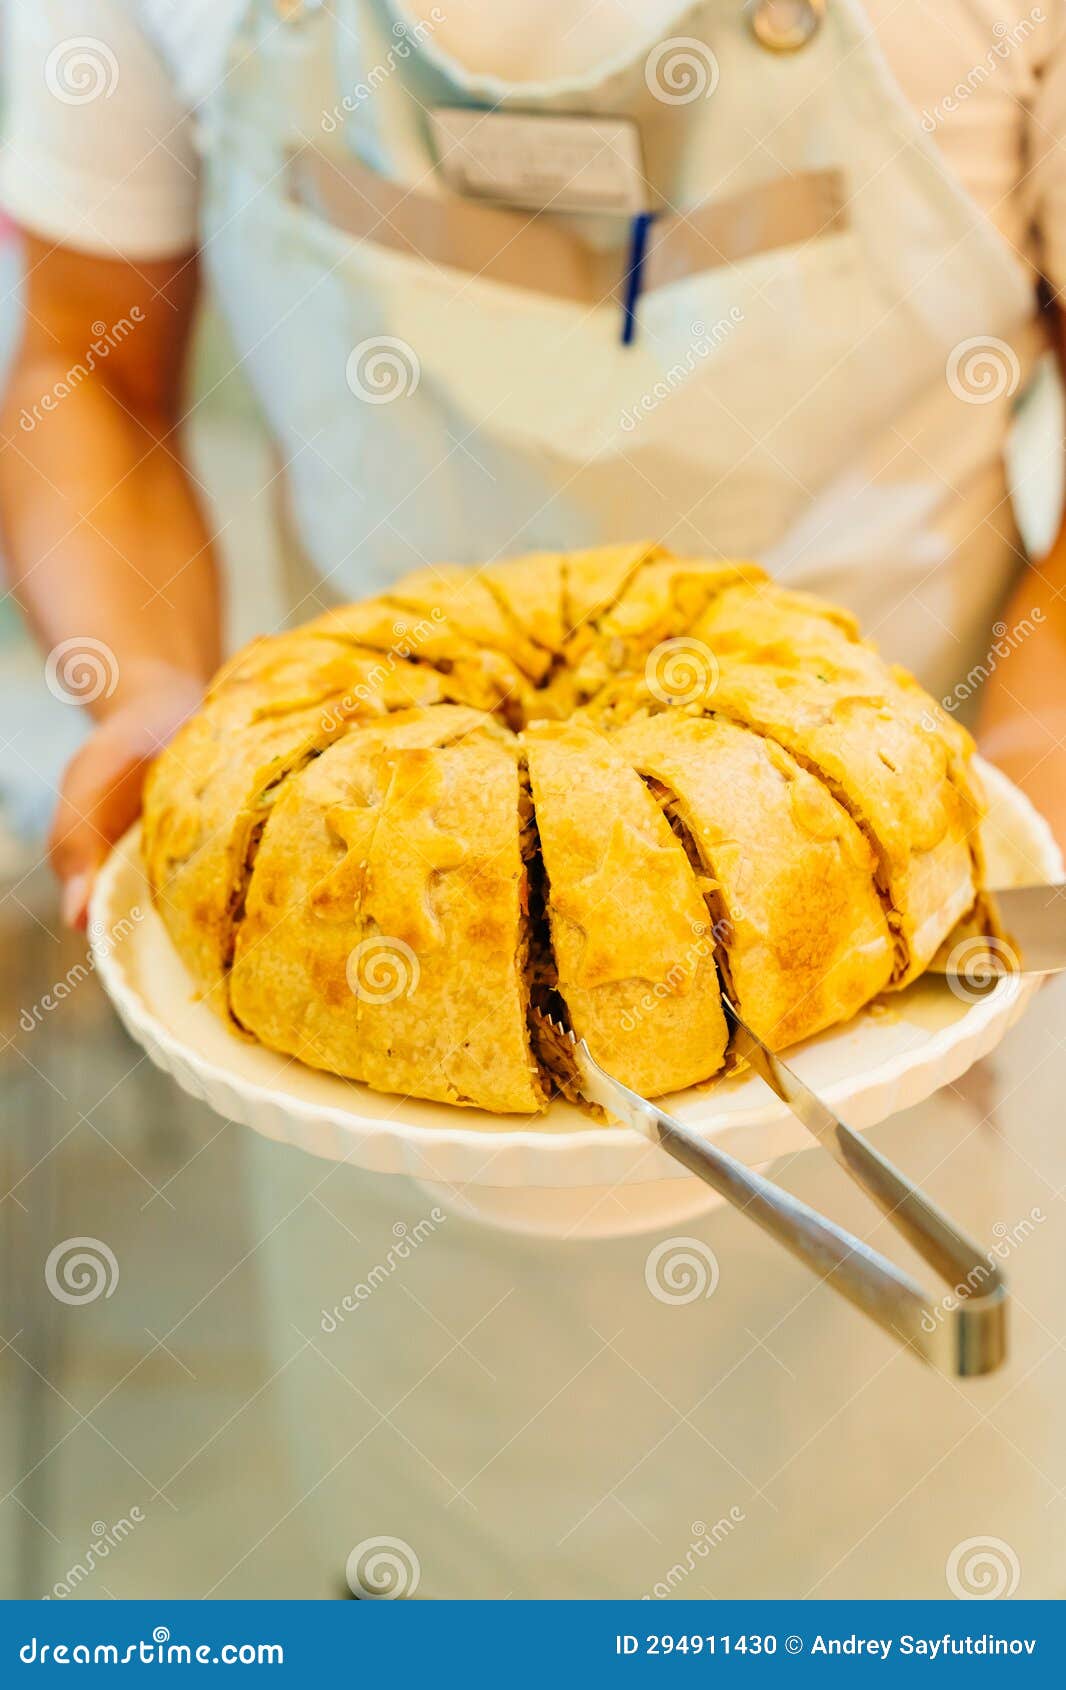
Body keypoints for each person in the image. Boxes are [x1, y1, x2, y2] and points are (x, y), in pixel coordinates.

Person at [2, 0, 1066, 1599]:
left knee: (912, 1567)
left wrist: (1037, 751)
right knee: (451, 1575)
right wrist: (155, 696)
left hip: (918, 948)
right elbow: (88, 357)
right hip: (365, 927)